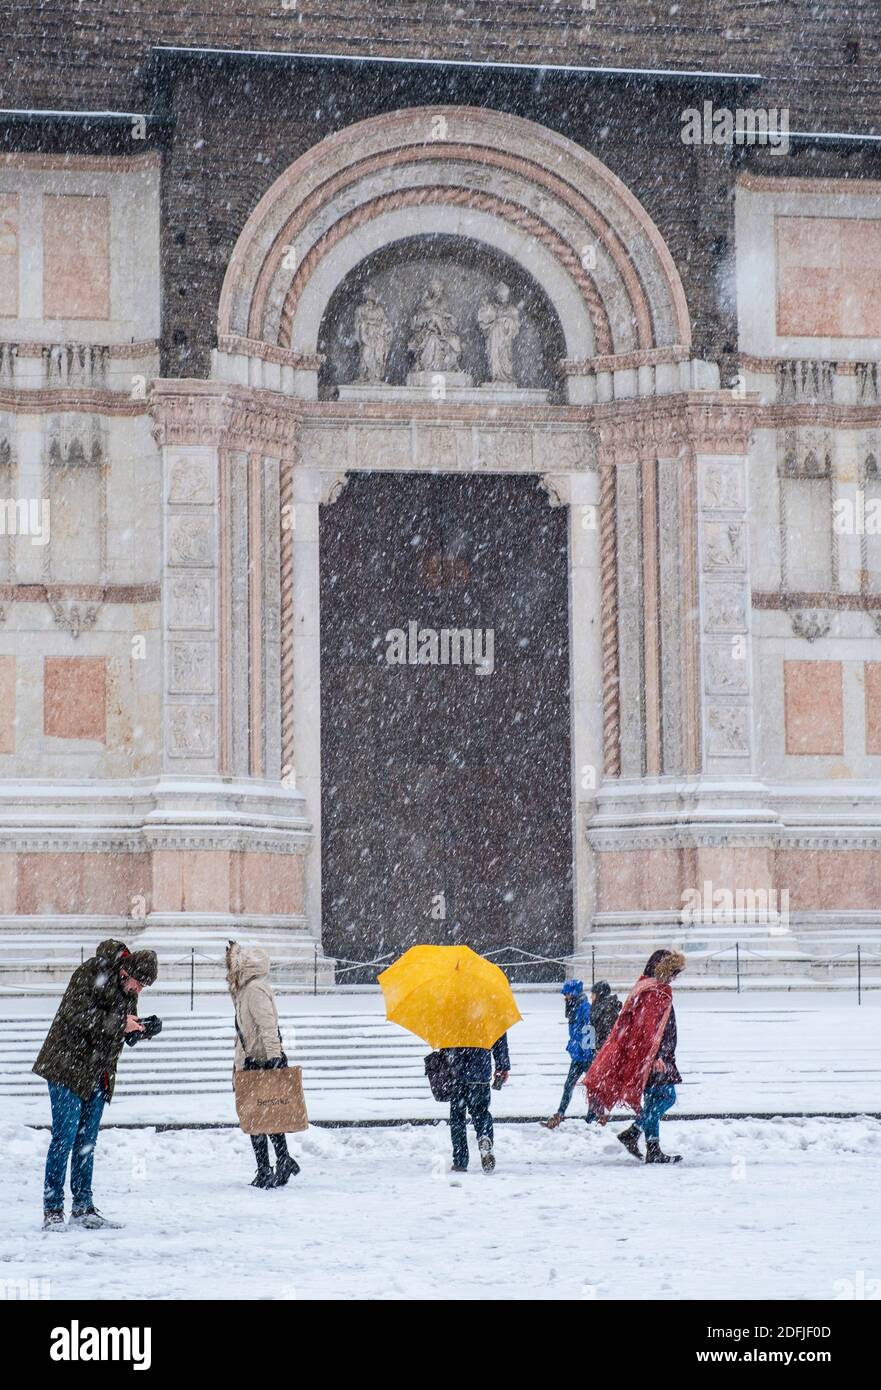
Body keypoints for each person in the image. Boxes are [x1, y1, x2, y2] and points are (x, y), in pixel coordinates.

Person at [33, 938, 158, 1229]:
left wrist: (142, 1030)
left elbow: (121, 1029)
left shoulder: (128, 990)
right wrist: (120, 1023)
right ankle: (53, 1210)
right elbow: (76, 1015)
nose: (139, 990)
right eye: (139, 983)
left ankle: (83, 1207)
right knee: (64, 1138)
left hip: (98, 1072)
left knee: (87, 1142)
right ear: (126, 971)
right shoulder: (91, 972)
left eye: (143, 987)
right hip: (67, 1065)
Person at [584, 949, 686, 1165]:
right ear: (664, 970)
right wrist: (657, 1055)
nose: (675, 977)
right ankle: (637, 1132)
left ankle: (650, 1146)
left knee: (652, 1099)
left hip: (645, 1056)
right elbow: (649, 1028)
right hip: (653, 1058)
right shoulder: (656, 992)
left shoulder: (645, 987)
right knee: (666, 1098)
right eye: (673, 972)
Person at [227, 941, 300, 1189]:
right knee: (265, 1116)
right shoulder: (247, 990)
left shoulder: (254, 990)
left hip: (261, 1061)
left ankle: (267, 1168)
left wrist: (275, 1057)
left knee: (258, 1117)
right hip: (253, 1060)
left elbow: (268, 1026)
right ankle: (280, 1162)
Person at [443, 1034, 510, 1173]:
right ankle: (485, 1137)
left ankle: (460, 1161)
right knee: (481, 1112)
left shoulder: (452, 1013)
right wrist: (502, 1065)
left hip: (456, 1071)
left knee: (457, 1117)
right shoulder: (489, 1013)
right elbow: (499, 1037)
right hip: (480, 1071)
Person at [541, 979, 595, 1129]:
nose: (565, 997)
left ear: (574, 994)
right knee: (569, 1086)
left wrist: (587, 1054)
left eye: (567, 994)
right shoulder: (573, 1008)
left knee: (592, 1087)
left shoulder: (584, 1009)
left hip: (586, 1057)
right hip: (578, 1056)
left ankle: (593, 1117)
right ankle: (561, 1113)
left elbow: (588, 1034)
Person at [590, 979, 622, 1051]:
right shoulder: (599, 1008)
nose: (591, 997)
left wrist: (601, 1049)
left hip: (605, 1050)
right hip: (601, 1049)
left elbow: (607, 1034)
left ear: (599, 995)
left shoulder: (608, 1010)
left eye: (593, 994)